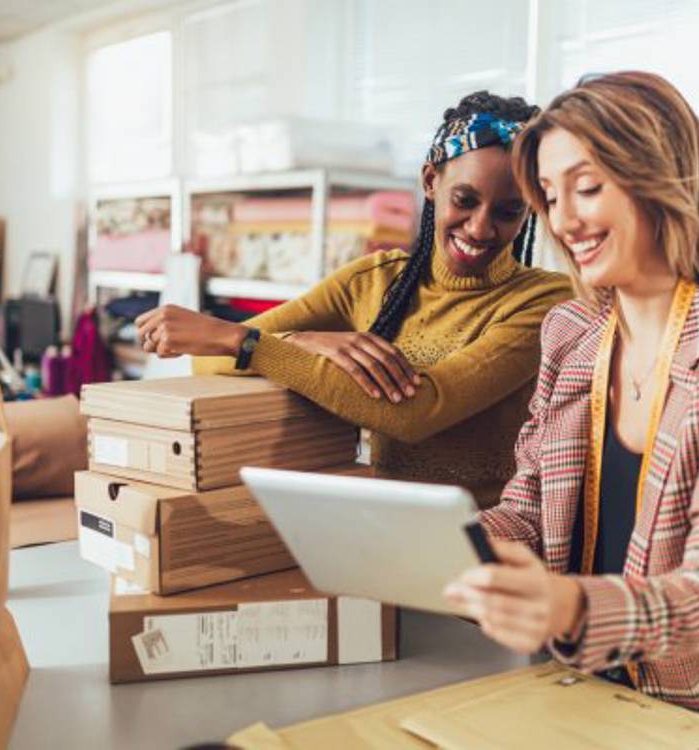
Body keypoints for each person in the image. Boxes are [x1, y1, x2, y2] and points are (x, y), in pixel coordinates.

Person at [444, 72, 699, 748]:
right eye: (551, 195)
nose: (565, 221)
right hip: (583, 694)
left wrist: (566, 607)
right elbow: (530, 512)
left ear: (660, 176)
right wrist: (445, 542)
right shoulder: (572, 332)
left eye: (588, 187)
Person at [136, 92, 571, 508]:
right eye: (465, 200)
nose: (480, 228)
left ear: (529, 209)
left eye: (508, 211)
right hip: (377, 527)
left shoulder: (544, 303)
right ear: (431, 181)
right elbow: (208, 359)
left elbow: (418, 412)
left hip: (484, 543)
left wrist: (252, 343)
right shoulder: (374, 280)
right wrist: (302, 341)